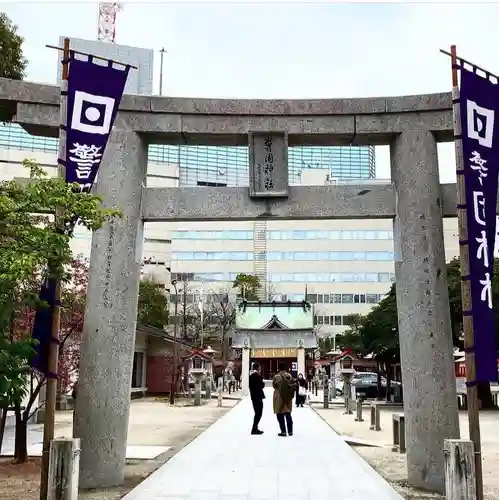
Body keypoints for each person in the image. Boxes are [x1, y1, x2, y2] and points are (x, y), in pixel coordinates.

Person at [272, 362, 296, 437]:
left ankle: (283, 431)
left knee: (279, 414)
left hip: (279, 396)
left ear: (279, 368)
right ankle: (290, 431)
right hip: (287, 397)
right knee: (288, 413)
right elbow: (292, 384)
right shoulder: (289, 375)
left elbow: (274, 385)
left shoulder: (276, 376)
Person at [249, 362, 265, 435]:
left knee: (257, 413)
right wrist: (262, 383)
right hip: (257, 396)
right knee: (258, 413)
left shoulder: (251, 375)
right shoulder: (256, 375)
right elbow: (261, 385)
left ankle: (255, 428)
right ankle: (254, 428)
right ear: (258, 368)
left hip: (254, 396)